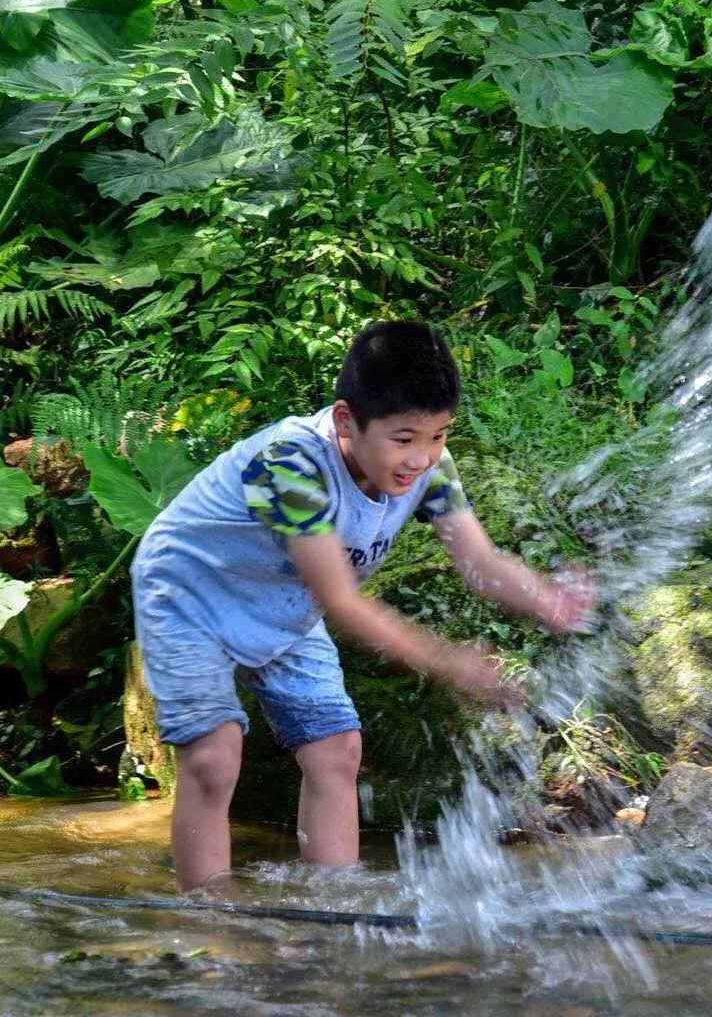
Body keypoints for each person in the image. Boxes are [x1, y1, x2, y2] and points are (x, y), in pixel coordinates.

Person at [131, 321, 593, 891]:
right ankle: (212, 928)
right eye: (404, 439)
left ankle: (334, 903)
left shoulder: (429, 468)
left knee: (337, 749)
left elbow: (481, 560)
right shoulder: (292, 464)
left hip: (283, 604)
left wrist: (548, 599)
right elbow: (342, 603)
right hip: (188, 594)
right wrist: (449, 661)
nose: (422, 458)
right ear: (347, 420)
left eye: (440, 435)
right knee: (213, 757)